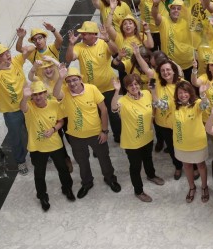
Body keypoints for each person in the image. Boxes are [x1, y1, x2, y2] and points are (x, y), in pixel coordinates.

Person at [57, 65, 121, 197]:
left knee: (104, 158)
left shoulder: (92, 89)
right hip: (76, 136)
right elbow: (55, 94)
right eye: (68, 81)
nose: (72, 83)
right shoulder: (64, 91)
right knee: (82, 161)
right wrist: (61, 78)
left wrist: (104, 131)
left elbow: (103, 110)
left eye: (74, 80)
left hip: (96, 133)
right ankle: (87, 183)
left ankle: (110, 179)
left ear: (80, 79)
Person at [19, 81, 74, 211]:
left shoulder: (54, 104)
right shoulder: (29, 106)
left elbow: (61, 121)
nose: (38, 97)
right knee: (39, 174)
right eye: (35, 94)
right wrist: (25, 96)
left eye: (41, 93)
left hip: (55, 144)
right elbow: (22, 107)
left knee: (63, 169)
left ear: (45, 94)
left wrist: (54, 129)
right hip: (37, 147)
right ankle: (42, 196)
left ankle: (67, 188)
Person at [112, 74, 166, 202]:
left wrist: (152, 82)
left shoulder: (146, 93)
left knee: (148, 159)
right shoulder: (122, 100)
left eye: (136, 84)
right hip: (132, 142)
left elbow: (157, 103)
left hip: (147, 136)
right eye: (130, 85)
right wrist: (116, 90)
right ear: (126, 88)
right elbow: (114, 108)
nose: (134, 87)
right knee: (135, 166)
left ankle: (151, 175)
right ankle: (139, 190)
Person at [0, 42, 33, 173]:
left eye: (7, 52)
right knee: (16, 138)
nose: (7, 56)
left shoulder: (16, 61)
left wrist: (21, 38)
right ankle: (20, 161)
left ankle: (38, 152)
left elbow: (31, 49)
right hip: (11, 112)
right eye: (2, 55)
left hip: (27, 105)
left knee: (33, 130)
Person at [173, 80, 211, 203]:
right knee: (187, 165)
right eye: (180, 93)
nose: (183, 95)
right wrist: (152, 90)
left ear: (190, 93)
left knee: (200, 165)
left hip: (197, 143)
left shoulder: (197, 103)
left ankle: (204, 187)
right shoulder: (173, 105)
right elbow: (158, 104)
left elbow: (205, 105)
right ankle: (192, 187)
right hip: (181, 144)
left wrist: (203, 94)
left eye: (185, 92)